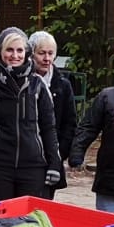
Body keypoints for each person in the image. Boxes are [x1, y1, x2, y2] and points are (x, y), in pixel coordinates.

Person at [0, 27, 62, 203]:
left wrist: (54, 163)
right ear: (0, 52)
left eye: (20, 50)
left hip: (33, 166)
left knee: (30, 218)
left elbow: (48, 128)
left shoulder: (37, 85)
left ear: (26, 53)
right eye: (9, 50)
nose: (15, 55)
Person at [71, 72, 114, 213]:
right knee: (108, 221)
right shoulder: (107, 96)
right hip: (111, 173)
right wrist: (77, 153)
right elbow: (88, 127)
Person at [29, 30, 76, 198]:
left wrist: (59, 155)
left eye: (51, 53)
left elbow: (70, 123)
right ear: (31, 54)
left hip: (52, 159)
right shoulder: (24, 81)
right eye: (41, 53)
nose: (47, 58)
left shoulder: (63, 85)